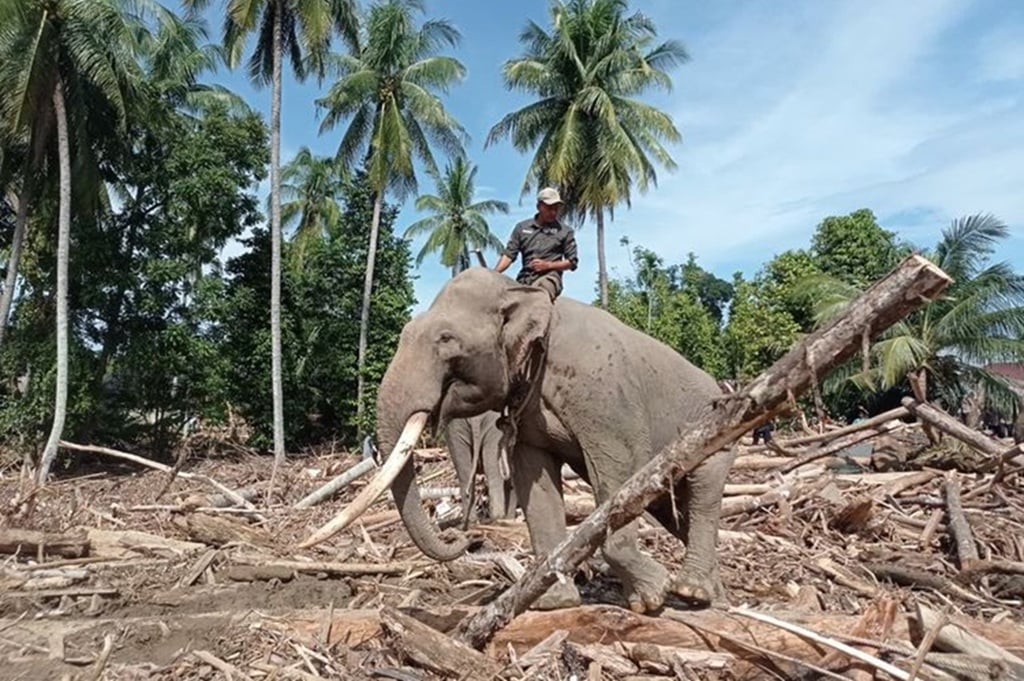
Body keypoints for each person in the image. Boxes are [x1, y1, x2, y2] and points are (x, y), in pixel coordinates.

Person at [494, 187, 578, 301]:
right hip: (524, 279)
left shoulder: (565, 231)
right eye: (549, 208)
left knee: (539, 298)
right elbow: (509, 255)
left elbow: (572, 262)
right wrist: (494, 273)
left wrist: (548, 265)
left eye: (556, 208)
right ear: (539, 207)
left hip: (549, 278)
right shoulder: (522, 228)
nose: (553, 212)